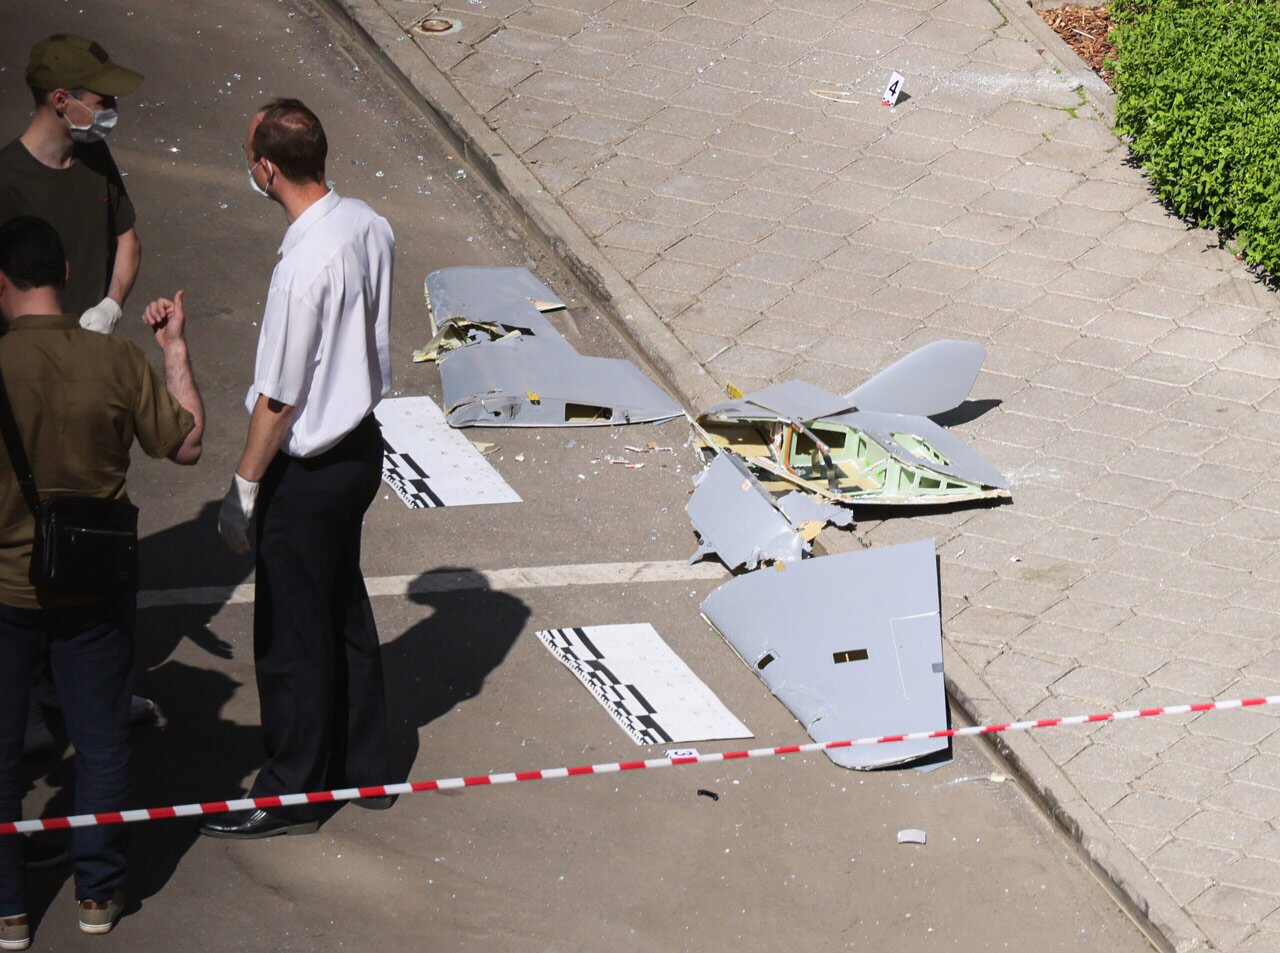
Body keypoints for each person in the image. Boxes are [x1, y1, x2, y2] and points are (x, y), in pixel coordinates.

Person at [0, 216, 203, 947]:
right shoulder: (113, 359)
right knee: (102, 741)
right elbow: (185, 442)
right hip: (95, 583)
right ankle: (96, 894)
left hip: (6, 590)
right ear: (63, 274)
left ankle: (10, 910)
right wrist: (174, 349)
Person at [200, 99, 394, 840]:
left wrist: (242, 490)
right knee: (342, 604)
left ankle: (291, 790)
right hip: (360, 450)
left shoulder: (301, 267)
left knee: (290, 634)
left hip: (309, 468)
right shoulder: (367, 221)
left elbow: (278, 400)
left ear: (267, 168)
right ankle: (364, 766)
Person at [0, 33, 154, 759]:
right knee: (29, 528)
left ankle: (86, 683)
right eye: (100, 96)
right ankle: (27, 695)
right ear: (60, 100)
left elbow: (127, 240)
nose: (111, 106)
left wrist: (112, 307)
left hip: (92, 373)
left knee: (97, 519)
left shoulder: (94, 159)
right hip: (31, 385)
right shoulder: (7, 182)